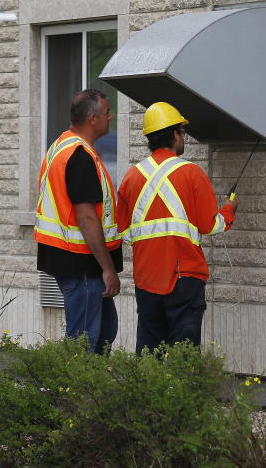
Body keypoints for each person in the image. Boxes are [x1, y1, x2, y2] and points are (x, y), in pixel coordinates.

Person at [116, 101, 236, 353]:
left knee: (149, 354)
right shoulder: (192, 173)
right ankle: (178, 392)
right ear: (174, 134)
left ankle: (148, 393)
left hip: (146, 278)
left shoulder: (131, 176)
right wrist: (229, 210)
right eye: (182, 131)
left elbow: (125, 232)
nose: (184, 137)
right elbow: (210, 225)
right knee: (183, 355)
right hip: (184, 278)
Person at [35, 89, 122, 354]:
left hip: (75, 261)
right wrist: (107, 268)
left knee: (105, 329)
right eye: (107, 113)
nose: (111, 117)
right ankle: (76, 394)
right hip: (82, 263)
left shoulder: (62, 146)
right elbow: (86, 218)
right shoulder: (79, 156)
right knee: (83, 341)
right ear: (93, 118)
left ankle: (93, 390)